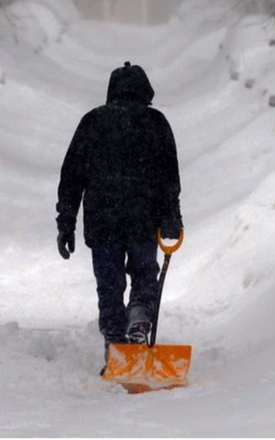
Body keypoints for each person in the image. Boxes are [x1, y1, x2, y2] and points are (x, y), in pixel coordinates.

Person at [55, 61, 182, 361]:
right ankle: (139, 318)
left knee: (109, 284)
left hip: (104, 220)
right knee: (143, 274)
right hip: (143, 217)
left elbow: (72, 176)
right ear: (145, 91)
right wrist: (171, 218)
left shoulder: (92, 122)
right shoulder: (156, 123)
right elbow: (169, 178)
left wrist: (66, 222)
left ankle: (114, 345)